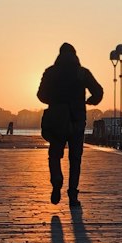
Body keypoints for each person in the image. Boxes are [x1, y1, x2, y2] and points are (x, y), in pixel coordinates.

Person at [37, 43, 103, 207]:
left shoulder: (51, 72)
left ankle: (56, 181)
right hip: (77, 120)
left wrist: (54, 101)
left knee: (54, 154)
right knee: (75, 159)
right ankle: (73, 195)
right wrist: (90, 101)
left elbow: (40, 95)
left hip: (57, 120)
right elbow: (98, 91)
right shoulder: (82, 73)